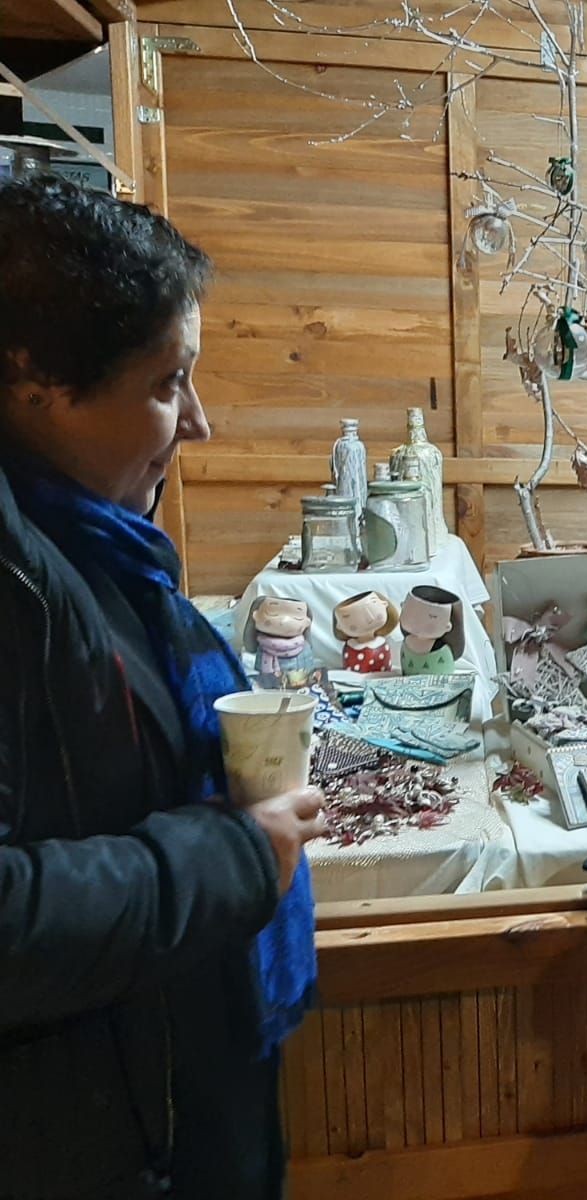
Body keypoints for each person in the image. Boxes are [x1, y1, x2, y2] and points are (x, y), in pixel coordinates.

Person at [0, 176, 325, 1198]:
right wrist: (235, 854)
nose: (199, 424)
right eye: (164, 383)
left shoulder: (84, 541)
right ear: (31, 380)